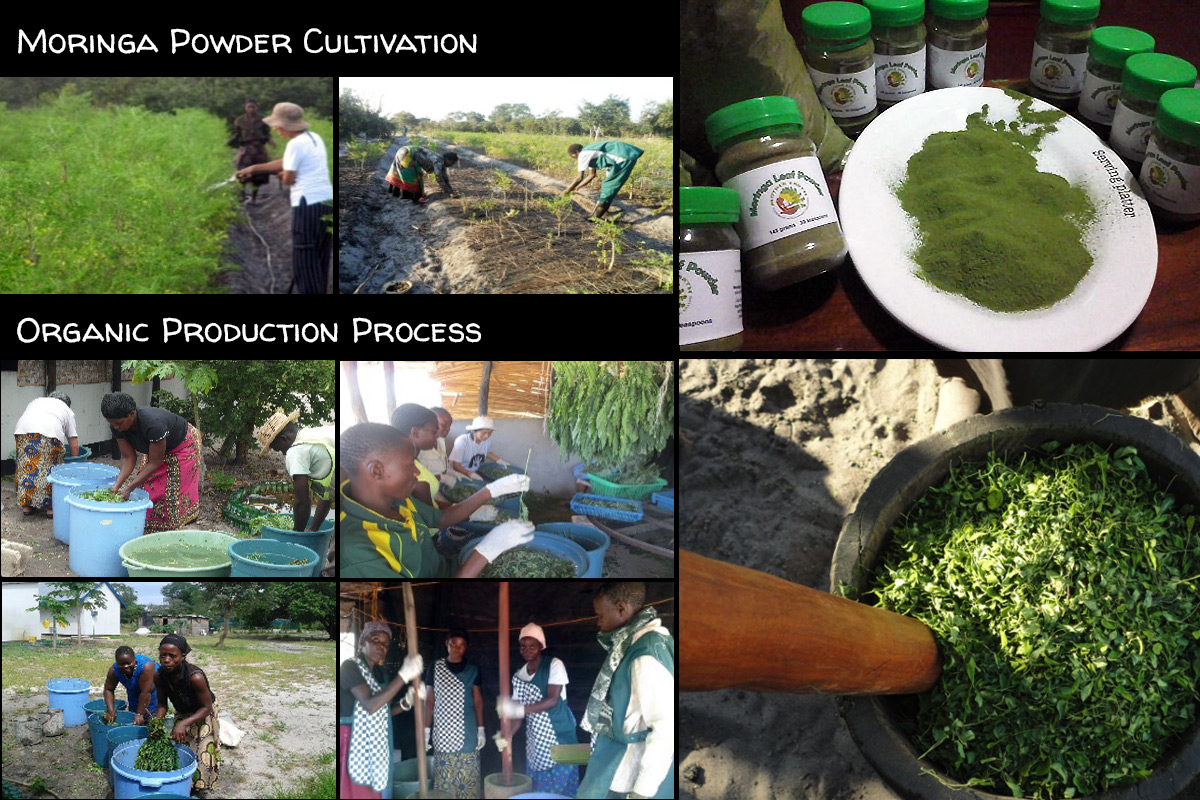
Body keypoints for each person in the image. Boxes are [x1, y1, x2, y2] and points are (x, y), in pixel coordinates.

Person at [339, 422, 534, 577]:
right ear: (377, 470)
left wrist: (491, 490)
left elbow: (440, 519)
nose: (417, 472)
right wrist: (487, 549)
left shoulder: (398, 500)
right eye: (409, 465)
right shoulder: (356, 553)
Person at [576, 582, 674, 799]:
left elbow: (666, 728)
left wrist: (642, 792)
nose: (598, 621)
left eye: (600, 615)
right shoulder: (630, 643)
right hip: (615, 754)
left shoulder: (646, 654)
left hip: (631, 768)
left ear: (621, 608)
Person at [235, 102, 333, 294]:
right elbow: (288, 162)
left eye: (277, 126)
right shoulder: (313, 138)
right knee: (320, 254)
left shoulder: (294, 144)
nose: (276, 130)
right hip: (325, 201)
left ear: (285, 126)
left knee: (305, 257)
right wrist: (254, 168)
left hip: (306, 205)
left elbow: (288, 179)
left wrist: (280, 175)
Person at [339, 620, 424, 798]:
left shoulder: (381, 674)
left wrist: (406, 703)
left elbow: (383, 712)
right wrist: (404, 675)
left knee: (376, 789)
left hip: (376, 742)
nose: (381, 647)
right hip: (353, 740)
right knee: (358, 791)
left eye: (385, 644)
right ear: (363, 641)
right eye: (375, 640)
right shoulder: (350, 667)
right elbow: (370, 705)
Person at [495, 622, 581, 796]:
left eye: (532, 646)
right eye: (523, 646)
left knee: (565, 788)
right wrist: (507, 736)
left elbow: (552, 700)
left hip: (563, 732)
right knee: (538, 788)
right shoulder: (518, 676)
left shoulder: (554, 665)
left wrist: (516, 710)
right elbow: (517, 718)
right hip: (537, 740)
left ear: (542, 646)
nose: (527, 650)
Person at [102, 392, 200, 533]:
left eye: (118, 423)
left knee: (170, 492)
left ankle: (172, 528)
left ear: (131, 414)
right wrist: (117, 485)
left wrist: (129, 488)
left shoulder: (153, 423)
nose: (115, 427)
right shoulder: (117, 426)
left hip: (182, 445)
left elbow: (154, 463)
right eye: (111, 423)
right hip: (155, 448)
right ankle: (148, 525)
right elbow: (129, 457)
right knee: (147, 487)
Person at [153, 634, 220, 794]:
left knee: (203, 751)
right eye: (163, 655)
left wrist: (182, 723)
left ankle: (200, 789)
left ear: (183, 656)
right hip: (183, 711)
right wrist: (156, 723)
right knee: (181, 749)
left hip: (203, 712)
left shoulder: (195, 676)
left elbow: (207, 707)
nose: (166, 660)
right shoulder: (159, 676)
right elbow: (162, 704)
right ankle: (184, 785)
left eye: (172, 656)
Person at [424, 628, 486, 799]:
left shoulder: (472, 670)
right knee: (445, 784)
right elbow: (429, 701)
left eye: (461, 645)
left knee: (468, 782)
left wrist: (481, 729)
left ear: (466, 647)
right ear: (446, 644)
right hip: (442, 734)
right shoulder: (435, 668)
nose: (457, 648)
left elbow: (478, 701)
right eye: (453, 644)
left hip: (468, 733)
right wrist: (425, 731)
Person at [255, 408, 335, 532]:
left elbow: (302, 502)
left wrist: (297, 535)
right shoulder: (312, 435)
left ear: (284, 438)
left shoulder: (296, 451)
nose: (282, 453)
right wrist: (313, 529)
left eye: (279, 449)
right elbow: (328, 494)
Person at [13, 391, 78, 517]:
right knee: (51, 468)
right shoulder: (66, 410)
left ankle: (27, 506)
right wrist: (75, 466)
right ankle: (50, 509)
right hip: (49, 433)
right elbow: (73, 443)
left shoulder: (37, 401)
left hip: (22, 431)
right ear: (67, 404)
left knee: (26, 467)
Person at [562, 141, 645, 220]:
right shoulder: (590, 153)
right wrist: (577, 187)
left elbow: (579, 177)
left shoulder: (583, 154)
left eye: (574, 156)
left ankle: (596, 217)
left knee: (608, 185)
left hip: (624, 157)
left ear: (577, 151)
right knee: (608, 183)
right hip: (623, 156)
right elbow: (592, 175)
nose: (576, 159)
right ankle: (604, 212)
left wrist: (567, 190)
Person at [391, 403, 442, 506]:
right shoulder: (414, 476)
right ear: (415, 432)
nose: (437, 436)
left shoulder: (414, 459)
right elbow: (432, 518)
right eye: (434, 432)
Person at [227, 98, 275, 204]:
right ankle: (243, 196)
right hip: (246, 148)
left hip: (258, 148)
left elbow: (267, 134)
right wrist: (230, 143)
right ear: (245, 107)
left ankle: (254, 198)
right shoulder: (240, 121)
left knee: (258, 174)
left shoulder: (263, 120)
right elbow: (237, 134)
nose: (251, 109)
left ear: (257, 107)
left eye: (253, 107)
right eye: (249, 107)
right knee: (242, 170)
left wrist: (270, 142)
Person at [103, 645, 159, 725]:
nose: (125, 666)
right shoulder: (114, 670)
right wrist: (111, 711)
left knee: (150, 717)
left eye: (128, 663)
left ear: (134, 659)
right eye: (121, 664)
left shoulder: (146, 667)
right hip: (134, 690)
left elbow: (146, 693)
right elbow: (108, 689)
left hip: (153, 690)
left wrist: (140, 714)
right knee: (134, 715)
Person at [385, 145, 460, 203]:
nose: (451, 165)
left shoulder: (440, 159)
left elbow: (444, 176)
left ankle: (394, 194)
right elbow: (439, 177)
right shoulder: (439, 161)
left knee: (400, 173)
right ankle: (413, 199)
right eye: (452, 163)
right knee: (412, 177)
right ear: (447, 159)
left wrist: (450, 189)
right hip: (408, 154)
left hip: (403, 150)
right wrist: (448, 191)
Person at [448, 416, 511, 481]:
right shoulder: (462, 441)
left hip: (474, 472)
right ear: (475, 431)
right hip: (458, 474)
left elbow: (487, 452)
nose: (487, 436)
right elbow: (456, 465)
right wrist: (470, 474)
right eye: (484, 433)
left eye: (490, 433)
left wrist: (499, 460)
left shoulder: (486, 441)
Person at [418, 407, 459, 498]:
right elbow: (420, 476)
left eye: (449, 426)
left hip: (442, 486)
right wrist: (442, 478)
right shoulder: (420, 447)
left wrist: (451, 472)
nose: (447, 429)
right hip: (429, 491)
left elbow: (443, 461)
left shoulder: (441, 441)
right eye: (444, 425)